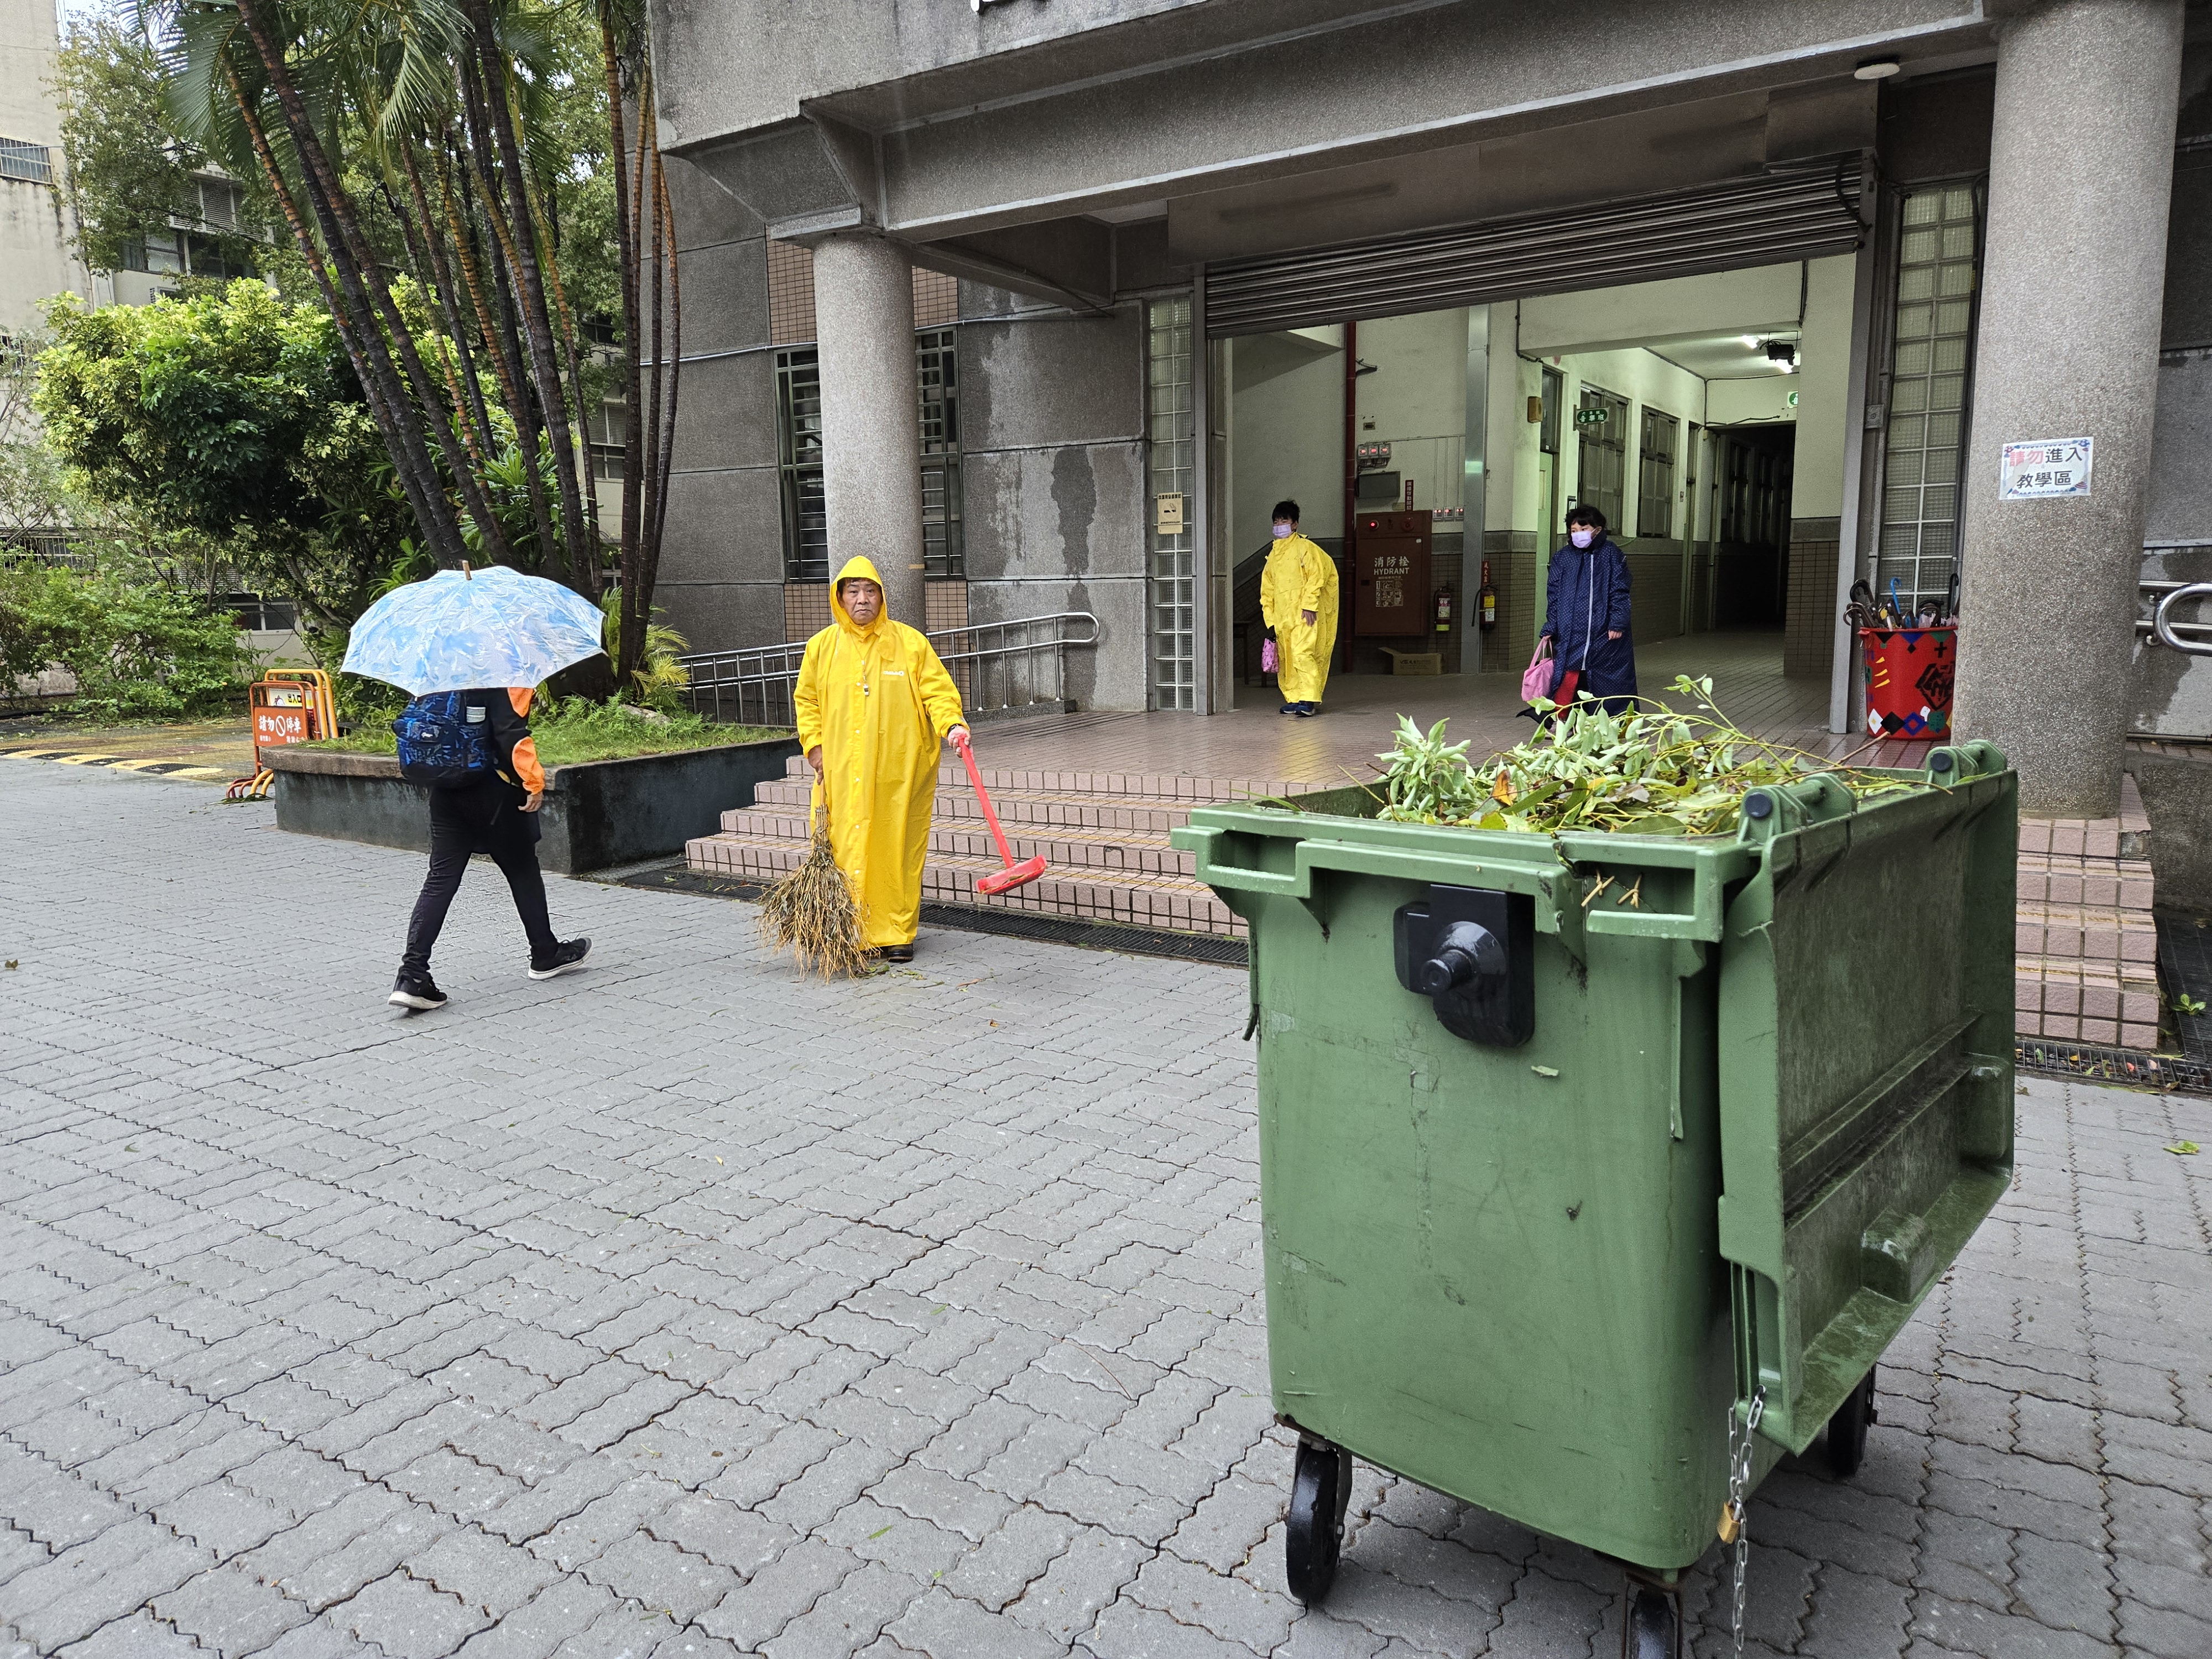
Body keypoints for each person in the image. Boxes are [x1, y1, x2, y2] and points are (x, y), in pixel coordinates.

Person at [795, 556, 969, 963]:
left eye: (870, 591)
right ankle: (850, 932)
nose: (862, 600)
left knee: (897, 851)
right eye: (853, 591)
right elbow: (807, 701)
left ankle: (897, 933)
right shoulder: (821, 648)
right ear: (839, 598)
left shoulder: (909, 644)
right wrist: (815, 746)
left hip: (898, 774)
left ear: (882, 597)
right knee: (843, 848)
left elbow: (938, 693)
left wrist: (953, 726)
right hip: (839, 774)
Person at [389, 687, 590, 1010]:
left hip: (446, 791)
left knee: (440, 881)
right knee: (523, 870)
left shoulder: (438, 676)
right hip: (493, 791)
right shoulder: (501, 675)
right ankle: (545, 953)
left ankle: (411, 974)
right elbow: (512, 736)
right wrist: (534, 783)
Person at [1540, 505, 1636, 713]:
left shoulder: (1612, 554)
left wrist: (1617, 622)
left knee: (1608, 678)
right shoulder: (1563, 557)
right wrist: (1551, 626)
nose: (1578, 535)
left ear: (1598, 530)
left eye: (1583, 530)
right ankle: (1562, 718)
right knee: (1568, 675)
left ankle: (1612, 720)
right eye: (1573, 531)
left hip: (1604, 633)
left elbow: (1620, 590)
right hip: (1571, 632)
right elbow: (1554, 595)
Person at [1259, 499, 1339, 717]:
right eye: (1276, 521)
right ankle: (1295, 698)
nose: (1279, 525)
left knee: (1304, 654)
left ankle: (1309, 699)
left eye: (1284, 520)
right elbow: (1267, 592)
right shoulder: (1273, 557)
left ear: (1295, 524)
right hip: (1283, 618)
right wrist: (1271, 620)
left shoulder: (1307, 549)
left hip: (1305, 616)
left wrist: (1309, 606)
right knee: (1288, 658)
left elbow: (1317, 577)